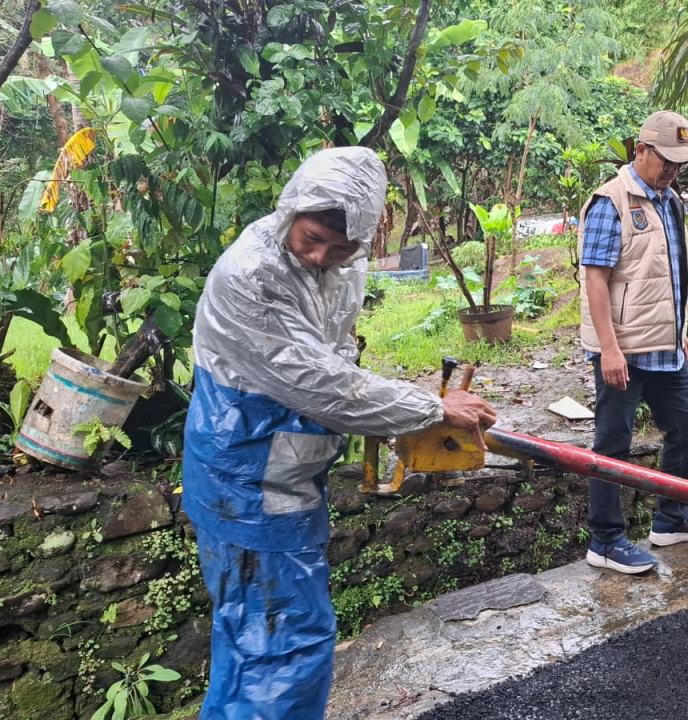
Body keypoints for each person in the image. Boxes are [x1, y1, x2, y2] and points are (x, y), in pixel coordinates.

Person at [182, 147, 496, 720]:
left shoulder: (342, 265)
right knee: (287, 644)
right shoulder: (251, 275)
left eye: (341, 246)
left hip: (285, 468)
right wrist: (429, 408)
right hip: (249, 475)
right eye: (311, 239)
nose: (322, 256)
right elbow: (321, 384)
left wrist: (410, 408)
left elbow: (336, 356)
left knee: (250, 641)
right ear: (290, 212)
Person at [577, 111, 688, 575]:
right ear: (641, 151)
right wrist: (609, 350)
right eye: (667, 160)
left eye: (681, 161)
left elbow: (667, 275)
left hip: (665, 346)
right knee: (612, 443)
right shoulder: (610, 202)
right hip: (623, 350)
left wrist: (679, 332)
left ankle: (672, 518)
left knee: (686, 426)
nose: (675, 169)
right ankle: (605, 540)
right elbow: (595, 281)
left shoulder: (669, 201)